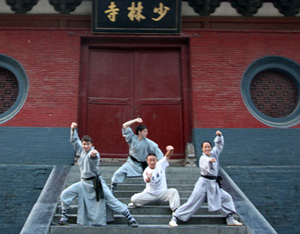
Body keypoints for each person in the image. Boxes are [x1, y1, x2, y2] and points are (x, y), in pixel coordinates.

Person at [59, 122, 138, 227]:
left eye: (88, 144)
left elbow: (94, 160)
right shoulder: (81, 150)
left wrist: (93, 155)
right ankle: (64, 217)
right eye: (84, 144)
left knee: (111, 200)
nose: (86, 146)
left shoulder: (94, 152)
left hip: (97, 183)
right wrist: (73, 129)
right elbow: (74, 140)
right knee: (65, 194)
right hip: (83, 183)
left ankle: (130, 218)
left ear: (91, 145)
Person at [169, 130, 242, 227]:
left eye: (209, 147)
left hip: (213, 185)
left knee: (226, 197)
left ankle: (230, 219)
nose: (207, 148)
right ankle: (175, 218)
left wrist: (219, 137)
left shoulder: (214, 154)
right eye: (205, 147)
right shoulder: (203, 158)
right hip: (203, 185)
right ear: (202, 149)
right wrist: (210, 161)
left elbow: (219, 146)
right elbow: (205, 164)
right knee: (192, 202)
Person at [111, 117, 164, 193]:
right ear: (139, 132)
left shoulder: (149, 143)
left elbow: (159, 154)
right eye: (145, 131)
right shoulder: (132, 138)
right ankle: (113, 188)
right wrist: (135, 120)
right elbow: (125, 125)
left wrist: (160, 164)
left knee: (152, 177)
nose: (147, 133)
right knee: (117, 173)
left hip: (143, 165)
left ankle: (155, 191)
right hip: (130, 163)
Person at [128, 145, 180, 213]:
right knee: (134, 199)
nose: (152, 162)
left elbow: (167, 156)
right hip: (150, 194)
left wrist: (170, 150)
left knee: (173, 191)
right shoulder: (146, 171)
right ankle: (137, 203)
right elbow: (147, 180)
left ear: (156, 160)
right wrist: (149, 178)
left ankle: (175, 210)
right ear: (147, 161)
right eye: (150, 160)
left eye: (153, 160)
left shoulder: (160, 164)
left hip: (162, 192)